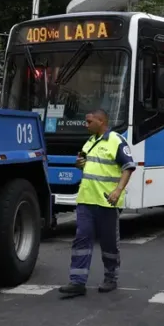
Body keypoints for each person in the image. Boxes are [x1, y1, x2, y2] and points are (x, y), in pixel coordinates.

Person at [59, 108, 136, 297]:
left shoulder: (116, 140)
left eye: (89, 122)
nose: (86, 125)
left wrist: (118, 191)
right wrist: (80, 165)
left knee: (109, 244)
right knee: (81, 241)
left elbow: (128, 167)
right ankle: (77, 282)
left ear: (101, 121)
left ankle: (111, 278)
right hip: (86, 201)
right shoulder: (89, 141)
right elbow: (90, 166)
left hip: (107, 203)